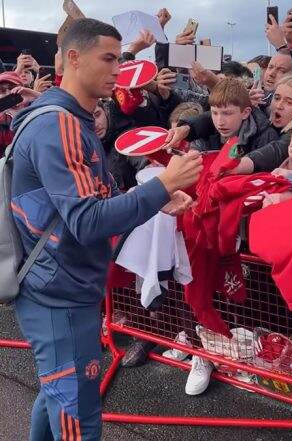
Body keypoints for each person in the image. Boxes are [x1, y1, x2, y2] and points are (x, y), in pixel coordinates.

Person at [10, 18, 202, 440]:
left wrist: (161, 201)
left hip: (60, 284)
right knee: (77, 411)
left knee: (57, 395)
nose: (119, 70)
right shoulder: (58, 123)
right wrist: (164, 184)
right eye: (110, 58)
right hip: (57, 290)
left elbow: (95, 197)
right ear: (74, 59)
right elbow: (87, 221)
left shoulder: (69, 119)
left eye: (120, 58)